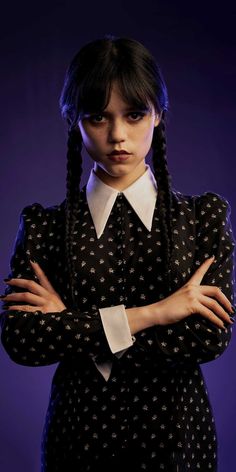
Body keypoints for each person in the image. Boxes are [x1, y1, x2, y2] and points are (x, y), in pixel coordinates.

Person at [0, 35, 235, 472]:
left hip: (180, 442)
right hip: (78, 442)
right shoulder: (43, 226)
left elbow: (207, 338)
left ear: (158, 114)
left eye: (134, 114)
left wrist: (68, 321)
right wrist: (160, 311)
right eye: (97, 117)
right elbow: (22, 340)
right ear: (73, 120)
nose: (117, 136)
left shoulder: (203, 216)